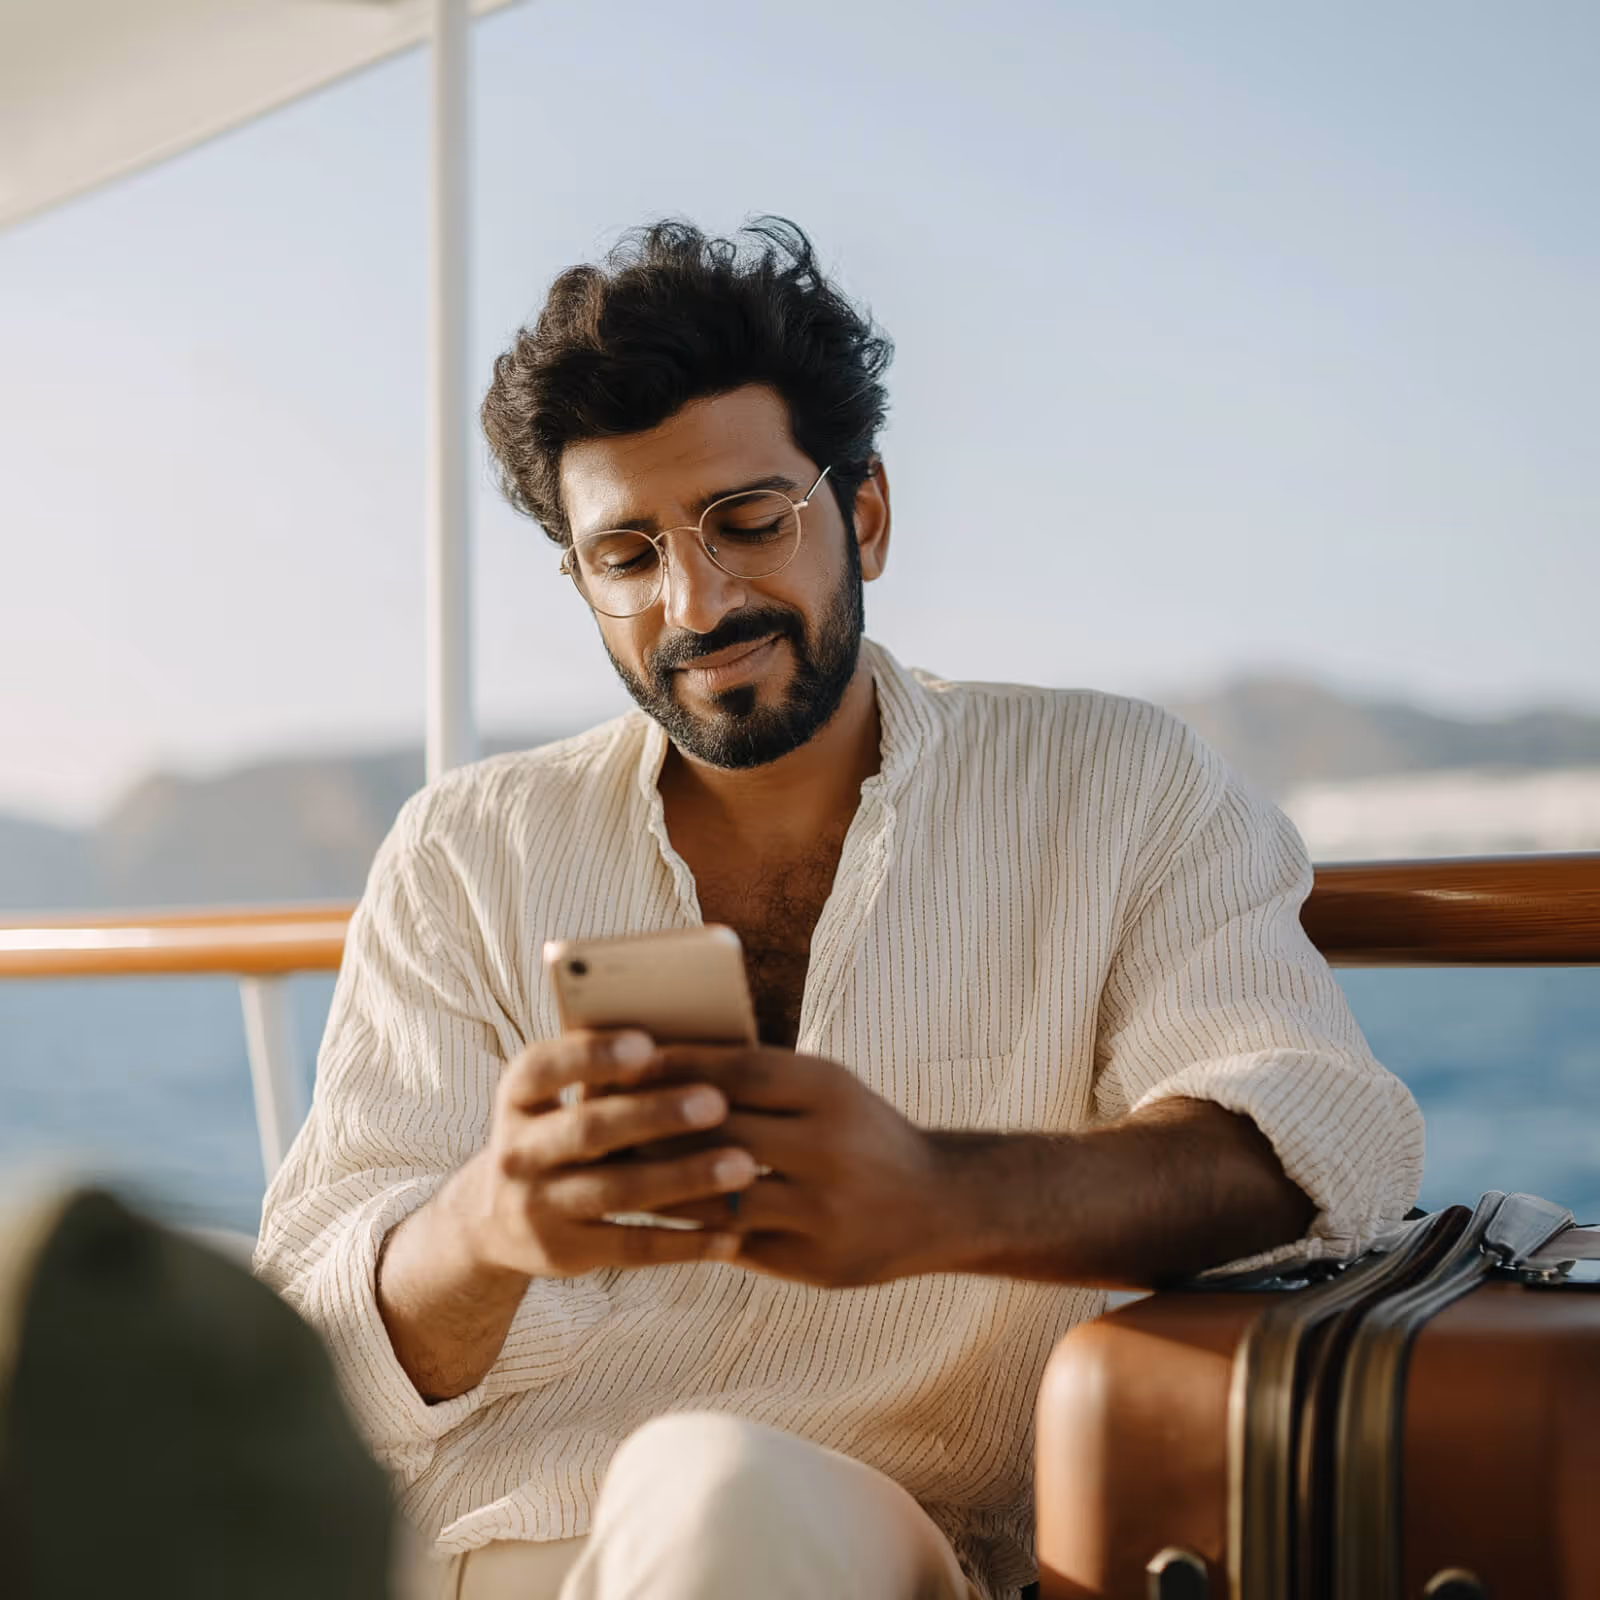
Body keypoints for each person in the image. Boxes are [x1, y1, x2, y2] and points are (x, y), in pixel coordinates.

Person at [254, 217, 1424, 1600]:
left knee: (715, 1497)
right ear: (580, 579)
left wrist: (940, 1198)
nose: (697, 599)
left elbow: (1314, 1140)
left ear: (861, 510)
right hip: (478, 1552)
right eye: (626, 555)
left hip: (860, 1547)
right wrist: (484, 1226)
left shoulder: (1118, 784)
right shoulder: (463, 850)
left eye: (749, 520)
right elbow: (310, 1340)